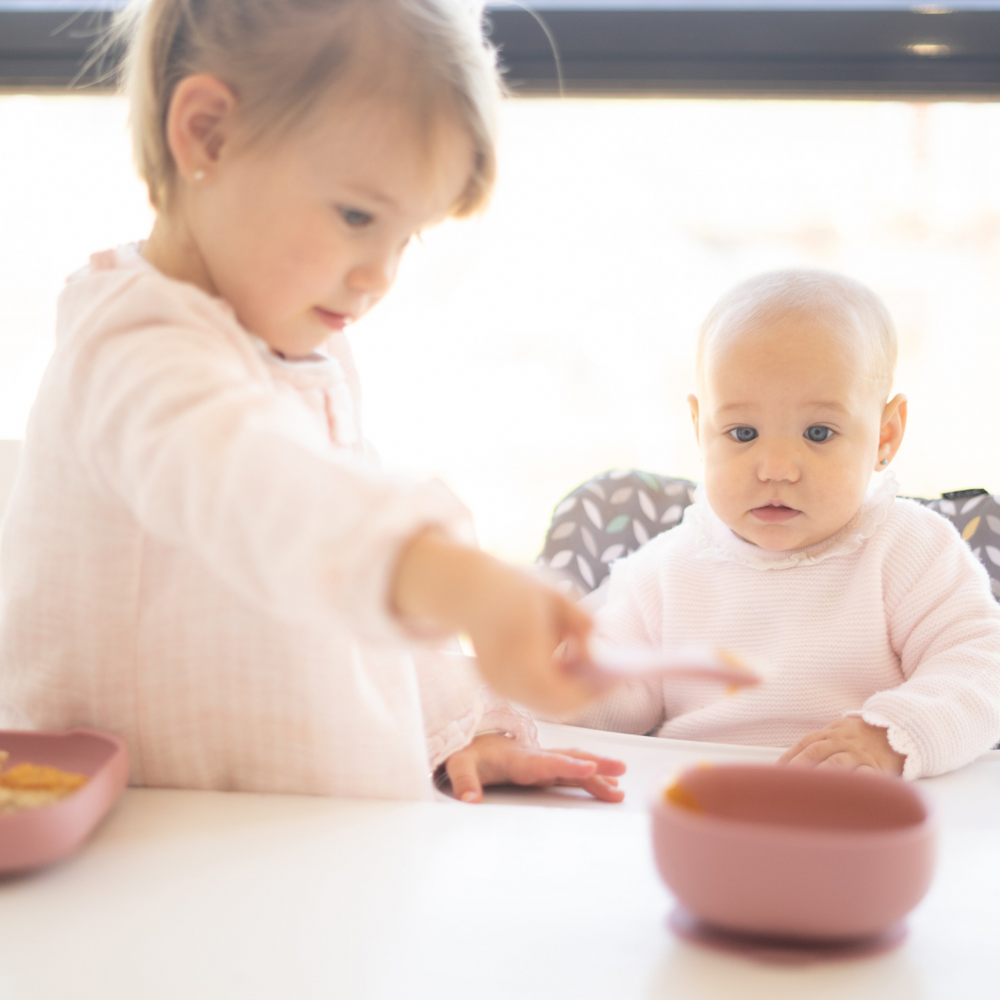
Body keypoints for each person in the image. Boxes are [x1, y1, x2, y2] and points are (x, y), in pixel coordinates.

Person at [0, 0, 625, 804]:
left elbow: (340, 597)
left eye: (408, 235)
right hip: (156, 859)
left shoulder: (300, 341)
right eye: (357, 215)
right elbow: (275, 497)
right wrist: (462, 583)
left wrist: (462, 722)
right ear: (209, 135)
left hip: (295, 851)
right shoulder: (136, 352)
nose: (379, 275)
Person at [568, 269, 1000, 778]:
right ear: (700, 429)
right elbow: (612, 697)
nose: (776, 468)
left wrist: (894, 734)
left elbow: (981, 664)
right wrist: (554, 675)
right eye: (742, 432)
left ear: (885, 435)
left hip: (858, 803)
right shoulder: (664, 569)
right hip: (703, 800)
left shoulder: (909, 550)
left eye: (818, 432)